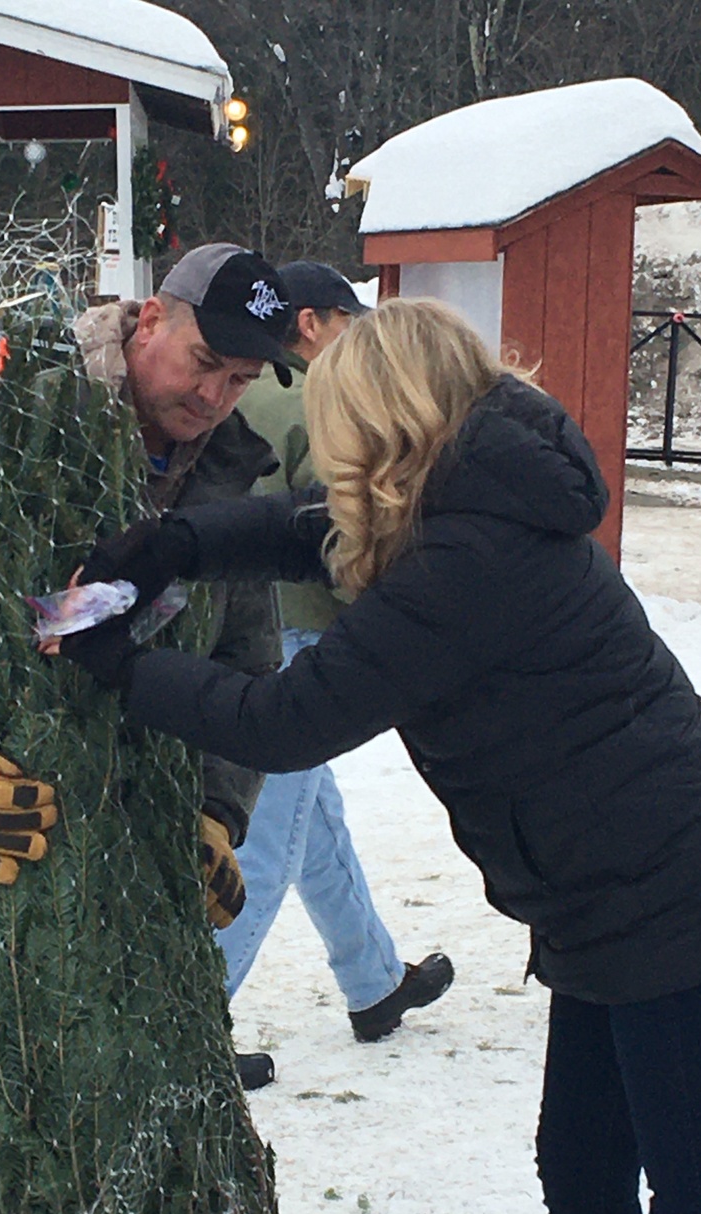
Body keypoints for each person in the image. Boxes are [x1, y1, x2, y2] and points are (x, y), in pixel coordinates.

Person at [59, 297, 701, 1214]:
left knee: (698, 1206)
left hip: (673, 900)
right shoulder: (469, 503)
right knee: (581, 1164)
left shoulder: (467, 564)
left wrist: (118, 665)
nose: (324, 451)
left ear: (384, 419)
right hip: (613, 894)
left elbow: (286, 719)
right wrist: (175, 543)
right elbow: (302, 530)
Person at [0, 243, 291, 1214]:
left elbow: (247, 660)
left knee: (107, 1092)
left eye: (240, 381)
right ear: (147, 320)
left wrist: (215, 810)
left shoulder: (232, 472)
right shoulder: (25, 412)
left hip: (130, 829)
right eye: (201, 362)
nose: (211, 395)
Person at [227, 260, 452, 1039]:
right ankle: (192, 1025)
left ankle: (374, 979)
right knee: (262, 842)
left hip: (243, 625)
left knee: (310, 819)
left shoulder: (242, 384)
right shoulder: (314, 399)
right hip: (296, 632)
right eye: (348, 324)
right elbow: (340, 525)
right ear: (315, 324)